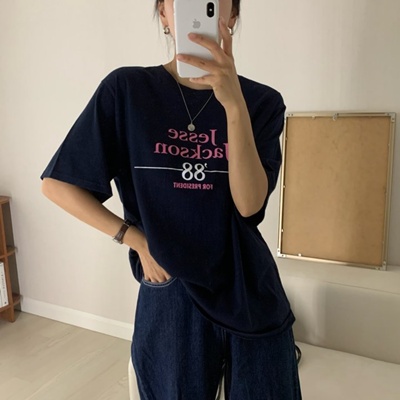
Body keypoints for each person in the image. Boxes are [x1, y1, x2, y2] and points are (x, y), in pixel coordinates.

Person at [41, 0, 302, 398]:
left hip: (249, 286)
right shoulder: (127, 90)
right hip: (170, 289)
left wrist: (233, 105)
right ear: (163, 13)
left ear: (232, 15)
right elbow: (58, 185)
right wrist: (136, 240)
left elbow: (250, 206)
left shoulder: (262, 102)